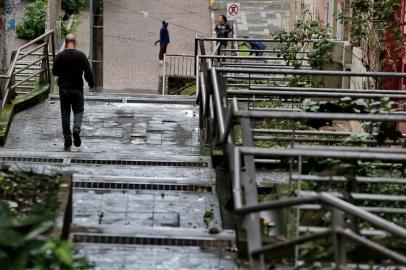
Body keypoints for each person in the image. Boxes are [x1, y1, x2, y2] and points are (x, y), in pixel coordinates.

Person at [52, 34, 94, 151]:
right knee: (78, 111)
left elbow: (54, 72)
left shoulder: (60, 56)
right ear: (75, 43)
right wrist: (91, 84)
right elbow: (88, 73)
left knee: (65, 113)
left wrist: (63, 73)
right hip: (77, 89)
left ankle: (67, 140)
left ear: (65, 43)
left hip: (64, 89)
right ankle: (76, 128)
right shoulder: (81, 56)